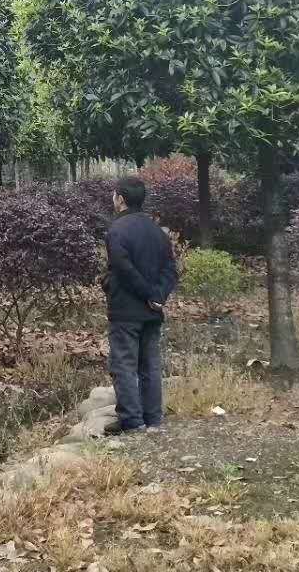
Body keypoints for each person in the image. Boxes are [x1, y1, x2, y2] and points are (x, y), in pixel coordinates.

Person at [102, 175, 177, 435]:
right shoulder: (157, 231)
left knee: (123, 364)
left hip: (126, 310)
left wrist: (148, 293)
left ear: (120, 199)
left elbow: (124, 269)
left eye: (114, 195)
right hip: (152, 311)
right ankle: (153, 418)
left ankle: (132, 421)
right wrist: (158, 296)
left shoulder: (117, 231)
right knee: (150, 365)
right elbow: (170, 270)